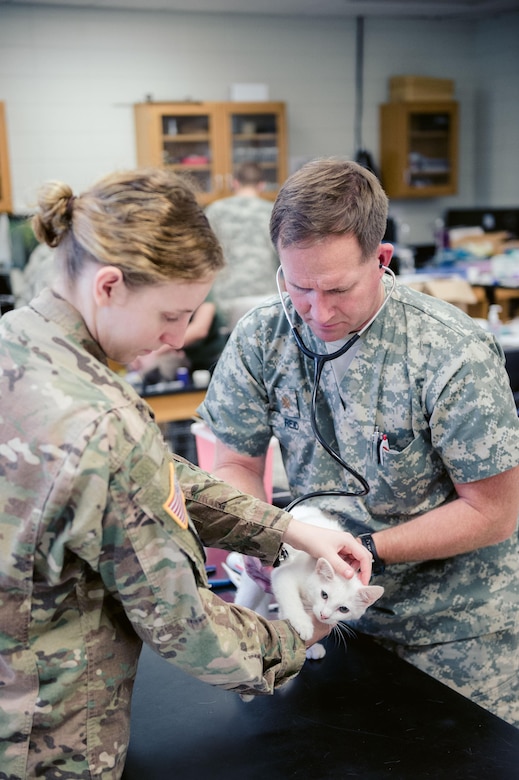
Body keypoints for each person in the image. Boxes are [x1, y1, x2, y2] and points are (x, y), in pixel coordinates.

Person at [0, 167, 373, 778]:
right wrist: (298, 635)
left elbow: (149, 475)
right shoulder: (101, 422)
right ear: (110, 285)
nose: (177, 338)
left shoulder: (19, 342)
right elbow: (183, 619)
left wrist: (286, 531)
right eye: (171, 314)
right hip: (51, 738)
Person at [198, 158, 519, 727]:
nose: (318, 313)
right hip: (326, 620)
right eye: (299, 287)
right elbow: (235, 462)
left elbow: (494, 513)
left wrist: (364, 550)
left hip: (454, 632)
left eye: (338, 289)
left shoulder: (451, 353)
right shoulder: (262, 336)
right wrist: (263, 537)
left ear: (382, 261)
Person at [205, 161, 280, 329]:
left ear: (234, 183)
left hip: (226, 301)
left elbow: (204, 257)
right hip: (266, 299)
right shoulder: (275, 212)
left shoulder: (215, 210)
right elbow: (284, 260)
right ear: (262, 185)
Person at [129, 289, 228, 384]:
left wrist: (154, 351)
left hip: (211, 359)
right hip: (182, 360)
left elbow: (200, 329)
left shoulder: (201, 289)